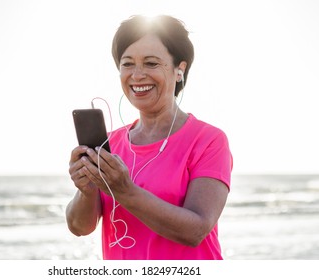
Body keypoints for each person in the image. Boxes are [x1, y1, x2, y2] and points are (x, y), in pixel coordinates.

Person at [66, 15, 233, 260]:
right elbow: (80, 227)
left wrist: (124, 190)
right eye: (128, 63)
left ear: (179, 70)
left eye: (151, 63)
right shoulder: (108, 145)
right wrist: (87, 189)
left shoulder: (209, 140)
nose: (137, 75)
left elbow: (196, 230)